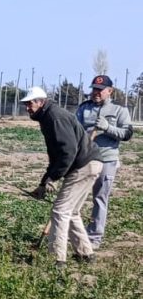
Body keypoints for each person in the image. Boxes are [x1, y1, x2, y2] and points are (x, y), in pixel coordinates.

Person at [22, 86, 102, 270]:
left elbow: (68, 152)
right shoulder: (47, 117)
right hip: (88, 163)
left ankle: (57, 260)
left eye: (30, 103)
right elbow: (55, 156)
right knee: (71, 212)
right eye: (26, 104)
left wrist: (54, 178)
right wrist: (44, 183)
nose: (27, 108)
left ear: (41, 102)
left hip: (83, 165)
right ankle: (86, 254)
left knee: (60, 211)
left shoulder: (54, 117)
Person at [76, 75, 134, 249]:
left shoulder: (119, 110)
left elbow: (127, 134)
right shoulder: (84, 109)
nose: (96, 93)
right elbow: (75, 130)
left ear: (110, 91)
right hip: (86, 158)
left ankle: (94, 238)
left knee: (100, 198)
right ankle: (74, 232)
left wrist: (107, 128)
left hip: (107, 159)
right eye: (94, 89)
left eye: (100, 90)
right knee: (76, 196)